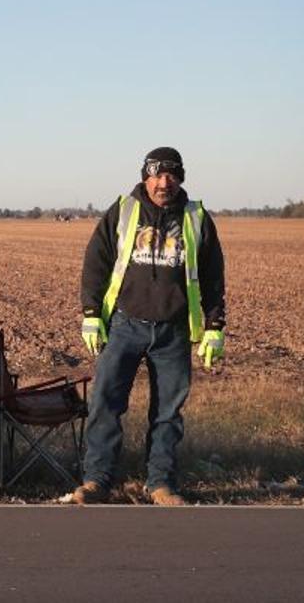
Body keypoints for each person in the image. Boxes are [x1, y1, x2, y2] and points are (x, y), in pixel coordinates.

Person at [73, 146, 226, 506]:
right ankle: (97, 481)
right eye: (158, 174)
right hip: (124, 324)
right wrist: (91, 313)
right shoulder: (123, 211)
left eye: (172, 175)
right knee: (105, 404)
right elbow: (95, 262)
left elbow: (213, 276)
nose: (164, 182)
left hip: (173, 330)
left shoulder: (196, 217)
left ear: (181, 178)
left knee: (167, 414)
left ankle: (161, 484)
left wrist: (215, 324)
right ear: (145, 176)